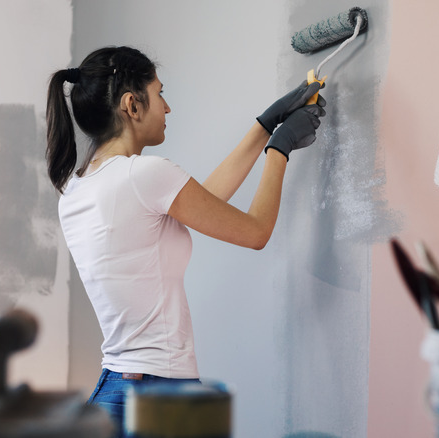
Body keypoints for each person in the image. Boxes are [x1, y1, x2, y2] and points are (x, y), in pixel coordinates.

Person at [45, 46, 325, 436]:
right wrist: (280, 149)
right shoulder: (143, 175)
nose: (168, 108)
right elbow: (256, 232)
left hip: (114, 392)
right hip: (163, 395)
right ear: (132, 105)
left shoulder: (76, 188)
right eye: (160, 94)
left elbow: (205, 201)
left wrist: (265, 124)